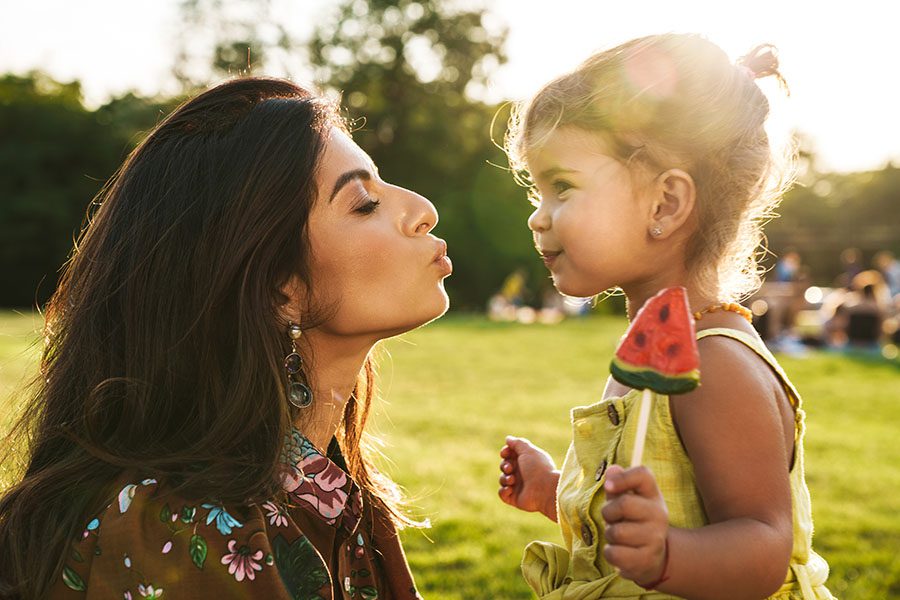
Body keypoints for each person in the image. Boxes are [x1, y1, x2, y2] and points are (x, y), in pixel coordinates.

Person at [0, 78, 452, 599]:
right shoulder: (175, 533)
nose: (423, 210)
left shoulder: (336, 494)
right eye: (364, 202)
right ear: (278, 288)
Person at [496, 35, 834, 599]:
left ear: (665, 204)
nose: (537, 217)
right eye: (538, 190)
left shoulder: (717, 365)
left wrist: (667, 556)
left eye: (561, 188)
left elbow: (763, 545)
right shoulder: (664, 344)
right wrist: (555, 489)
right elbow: (660, 508)